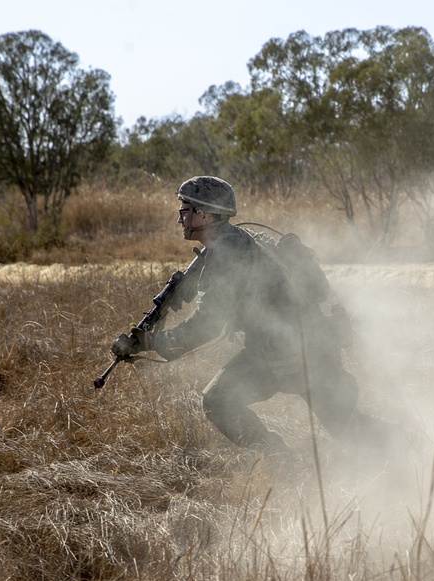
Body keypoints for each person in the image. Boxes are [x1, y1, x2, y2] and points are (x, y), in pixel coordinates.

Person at [111, 175, 388, 454]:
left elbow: (204, 327)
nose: (179, 218)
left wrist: (150, 342)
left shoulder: (225, 256)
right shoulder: (238, 240)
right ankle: (411, 448)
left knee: (218, 400)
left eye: (184, 210)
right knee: (345, 424)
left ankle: (282, 463)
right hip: (311, 343)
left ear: (204, 215)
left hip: (287, 352)